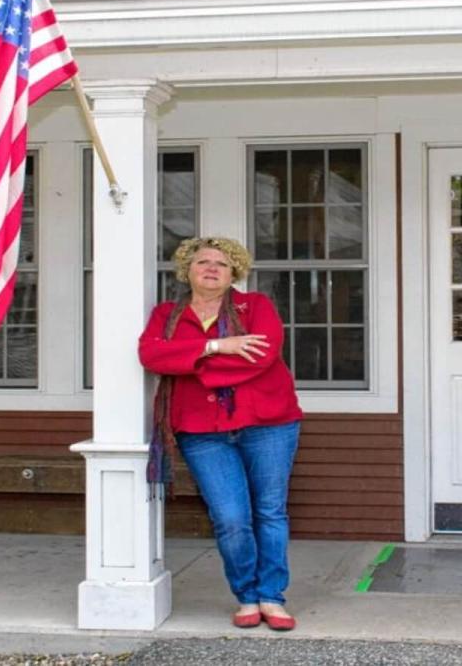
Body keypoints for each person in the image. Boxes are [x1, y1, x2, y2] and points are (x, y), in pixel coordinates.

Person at [138, 236, 303, 631]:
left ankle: (271, 597)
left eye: (222, 264)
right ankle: (246, 595)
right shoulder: (167, 314)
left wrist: (191, 360)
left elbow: (261, 357)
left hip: (268, 424)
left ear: (234, 273)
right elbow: (150, 354)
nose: (211, 268)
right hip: (201, 430)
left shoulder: (256, 307)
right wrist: (217, 345)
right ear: (187, 270)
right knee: (230, 517)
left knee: (269, 511)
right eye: (203, 262)